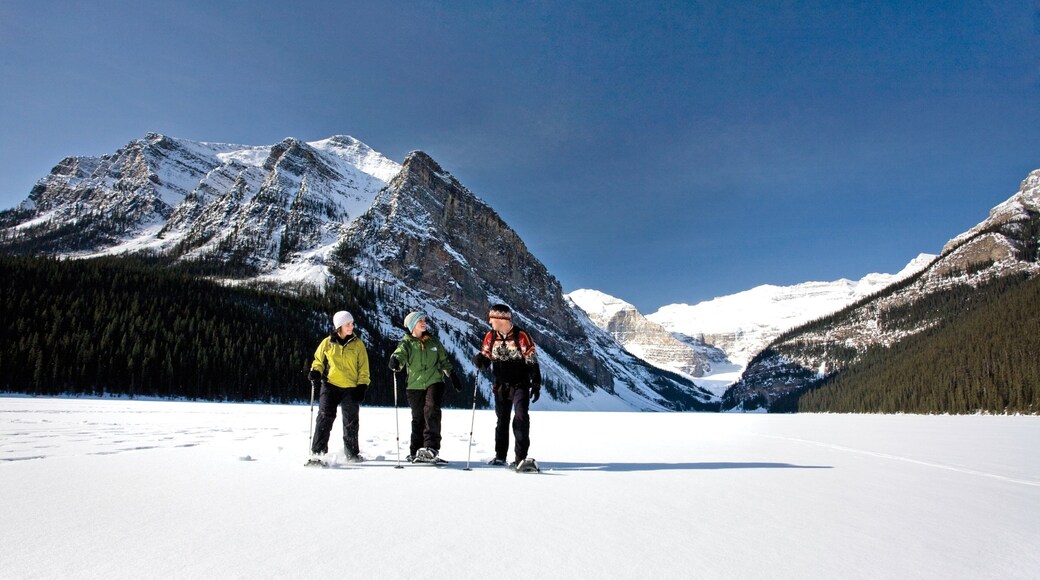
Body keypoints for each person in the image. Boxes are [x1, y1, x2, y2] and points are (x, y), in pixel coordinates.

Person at [471, 304, 541, 468]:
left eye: (492, 318)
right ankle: (500, 456)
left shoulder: (522, 336)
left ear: (502, 319)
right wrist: (480, 361)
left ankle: (520, 458)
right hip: (500, 385)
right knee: (502, 420)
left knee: (521, 417)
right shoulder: (490, 336)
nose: (489, 321)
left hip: (520, 384)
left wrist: (536, 383)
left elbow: (532, 361)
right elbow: (486, 359)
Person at [390, 311, 462, 463]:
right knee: (418, 418)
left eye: (424, 320)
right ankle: (415, 450)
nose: (424, 322)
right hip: (414, 385)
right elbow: (400, 355)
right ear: (412, 326)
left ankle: (431, 448)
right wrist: (395, 361)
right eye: (419, 320)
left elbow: (444, 360)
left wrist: (452, 375)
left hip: (434, 381)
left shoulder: (434, 342)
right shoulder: (406, 343)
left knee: (431, 410)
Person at [308, 310, 370, 463]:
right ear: (339, 326)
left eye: (352, 323)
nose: (351, 326)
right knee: (324, 417)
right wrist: (316, 371)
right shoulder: (327, 343)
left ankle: (352, 454)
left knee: (351, 421)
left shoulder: (358, 344)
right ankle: (318, 453)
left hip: (351, 388)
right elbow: (318, 361)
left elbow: (363, 368)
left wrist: (362, 386)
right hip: (330, 386)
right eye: (348, 324)